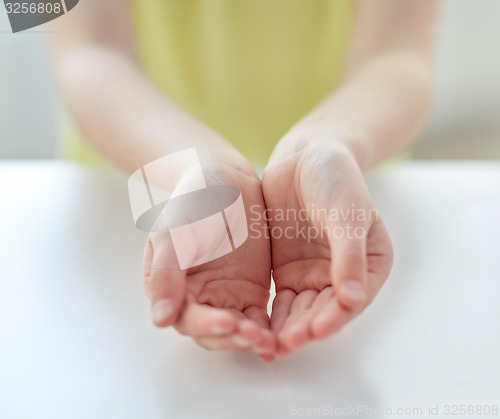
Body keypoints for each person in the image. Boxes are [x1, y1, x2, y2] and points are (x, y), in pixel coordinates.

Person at [49, 0, 436, 361]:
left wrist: (326, 145)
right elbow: (86, 52)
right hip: (127, 185)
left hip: (354, 184)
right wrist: (195, 165)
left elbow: (399, 54)